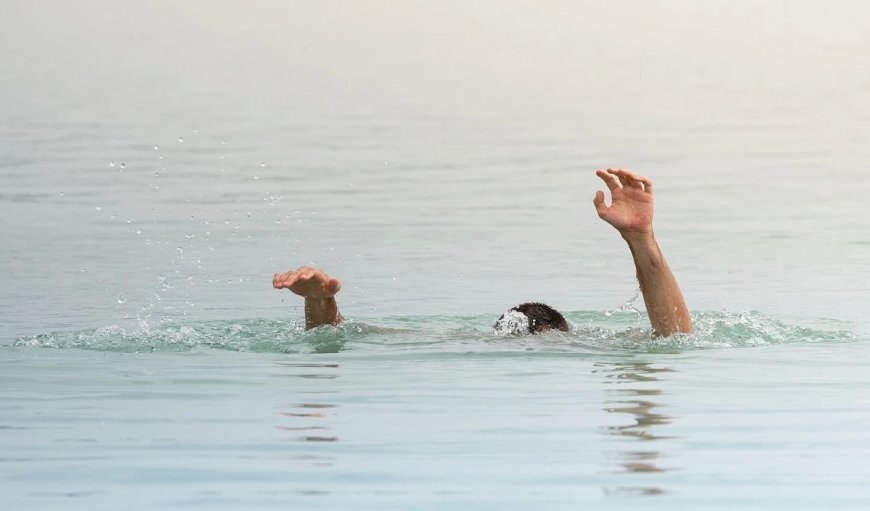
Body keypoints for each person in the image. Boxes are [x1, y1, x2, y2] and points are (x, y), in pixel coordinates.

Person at [272, 169, 692, 337]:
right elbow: (676, 338)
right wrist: (642, 240)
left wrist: (322, 304)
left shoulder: (462, 340)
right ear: (557, 334)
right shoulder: (587, 347)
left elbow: (346, 334)